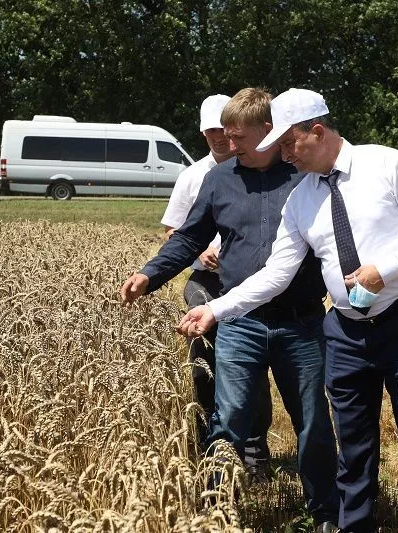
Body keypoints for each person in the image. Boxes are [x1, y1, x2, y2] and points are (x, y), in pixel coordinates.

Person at [178, 88, 398, 532]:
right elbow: (276, 273)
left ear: (316, 131)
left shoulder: (388, 165)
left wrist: (385, 269)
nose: (284, 156)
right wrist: (217, 310)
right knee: (354, 443)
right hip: (345, 332)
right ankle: (353, 523)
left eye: (288, 144)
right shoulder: (301, 199)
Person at [119, 88, 340, 532]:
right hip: (239, 320)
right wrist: (150, 274)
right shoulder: (218, 180)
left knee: (313, 421)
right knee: (229, 418)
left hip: (302, 323)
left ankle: (325, 514)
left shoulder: (304, 177)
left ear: (268, 130)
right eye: (226, 135)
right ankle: (217, 512)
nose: (229, 145)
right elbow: (188, 236)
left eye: (238, 137)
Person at [160, 94, 273, 473]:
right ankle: (210, 439)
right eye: (211, 133)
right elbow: (175, 232)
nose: (219, 140)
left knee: (251, 362)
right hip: (208, 282)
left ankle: (254, 444)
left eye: (224, 133)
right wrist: (200, 255)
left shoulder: (271, 168)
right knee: (206, 360)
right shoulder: (194, 176)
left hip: (254, 284)